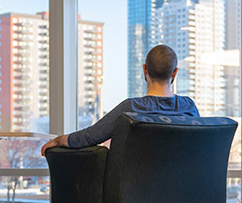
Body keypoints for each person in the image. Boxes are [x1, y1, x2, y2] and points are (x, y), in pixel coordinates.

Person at [41, 44, 199, 156]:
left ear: (145, 69)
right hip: (185, 198)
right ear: (175, 73)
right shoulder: (188, 108)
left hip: (134, 197)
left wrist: (60, 140)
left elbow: (89, 137)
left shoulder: (131, 108)